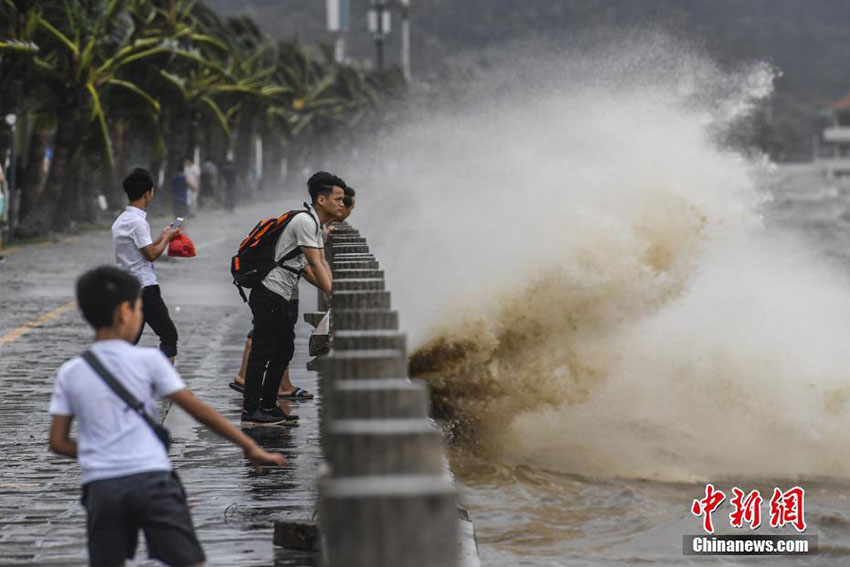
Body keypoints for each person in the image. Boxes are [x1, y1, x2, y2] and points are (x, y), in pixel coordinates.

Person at [48, 266, 286, 567]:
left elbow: (57, 442)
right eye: (139, 308)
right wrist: (250, 446)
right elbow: (199, 410)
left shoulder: (71, 372)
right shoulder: (149, 360)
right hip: (153, 481)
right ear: (125, 311)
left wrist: (101, 452)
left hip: (102, 488)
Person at [240, 171, 342, 424]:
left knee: (283, 350)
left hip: (284, 295)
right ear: (321, 199)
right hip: (270, 293)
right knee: (263, 351)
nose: (342, 204)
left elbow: (306, 269)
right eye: (338, 199)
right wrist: (333, 292)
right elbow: (316, 263)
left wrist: (328, 289)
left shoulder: (315, 225)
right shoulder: (306, 223)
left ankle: (269, 405)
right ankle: (251, 410)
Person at [112, 168, 180, 363]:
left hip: (129, 287)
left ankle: (117, 378)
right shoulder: (138, 222)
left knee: (129, 339)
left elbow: (142, 248)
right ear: (147, 193)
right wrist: (167, 238)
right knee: (169, 335)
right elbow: (150, 255)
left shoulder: (121, 221)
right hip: (145, 288)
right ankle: (161, 382)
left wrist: (162, 235)